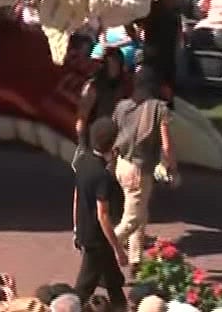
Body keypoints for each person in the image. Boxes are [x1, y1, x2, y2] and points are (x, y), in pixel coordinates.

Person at [110, 67, 174, 265]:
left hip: (121, 163)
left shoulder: (122, 106)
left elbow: (114, 134)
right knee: (131, 219)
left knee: (140, 213)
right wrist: (169, 165)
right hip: (139, 168)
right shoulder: (159, 108)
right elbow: (166, 144)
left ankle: (135, 259)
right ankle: (100, 249)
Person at [72, 118, 128, 312]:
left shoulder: (82, 162)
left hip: (85, 231)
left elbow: (77, 197)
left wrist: (76, 227)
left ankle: (121, 307)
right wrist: (118, 248)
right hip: (97, 240)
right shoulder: (103, 177)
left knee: (113, 281)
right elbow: (103, 215)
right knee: (83, 288)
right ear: (112, 143)